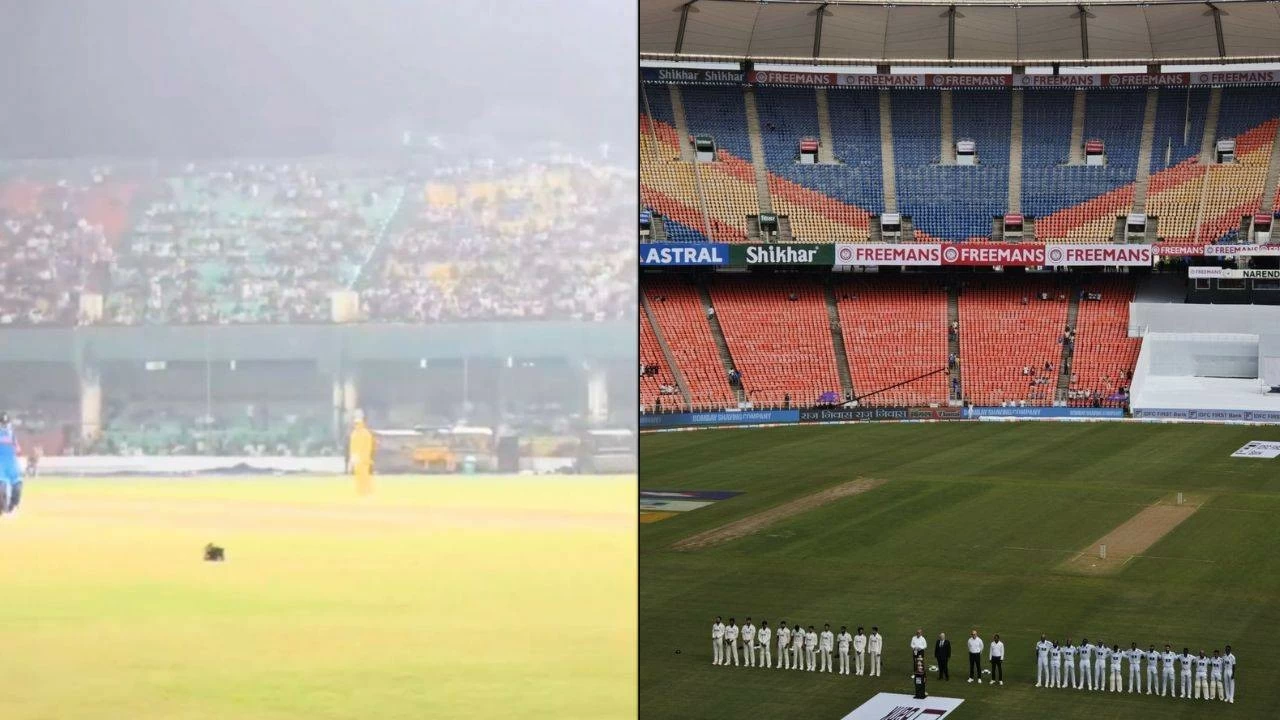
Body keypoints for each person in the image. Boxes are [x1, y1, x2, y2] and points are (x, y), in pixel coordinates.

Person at [0, 412, 23, 515]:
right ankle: (2, 509)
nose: (4, 425)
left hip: (12, 463)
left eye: (6, 423)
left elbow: (18, 449)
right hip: (1, 464)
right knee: (2, 488)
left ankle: (12, 507)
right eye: (2, 423)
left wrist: (17, 451)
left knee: (17, 486)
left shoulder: (12, 435)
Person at [348, 416, 376, 496]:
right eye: (355, 424)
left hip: (364, 457)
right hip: (356, 456)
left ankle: (367, 489)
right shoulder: (354, 434)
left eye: (358, 424)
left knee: (365, 474)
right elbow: (352, 446)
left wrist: (367, 457)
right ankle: (360, 489)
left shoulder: (366, 434)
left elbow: (369, 446)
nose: (356, 425)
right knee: (357, 474)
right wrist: (352, 457)